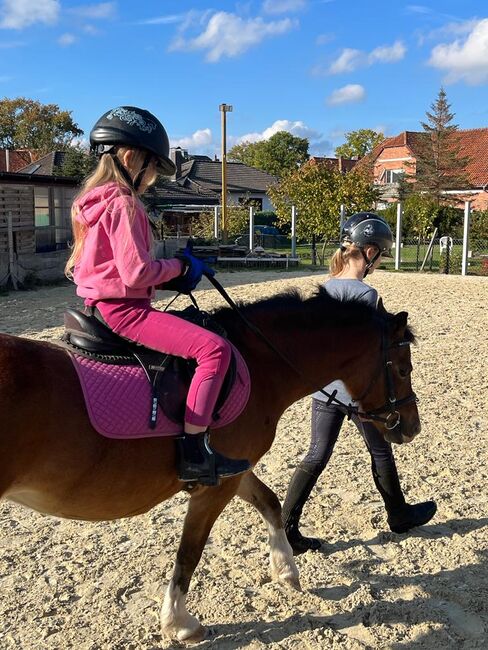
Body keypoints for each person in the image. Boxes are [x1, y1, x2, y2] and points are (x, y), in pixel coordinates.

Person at [65, 105, 250, 487]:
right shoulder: (124, 203)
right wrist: (182, 268)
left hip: (99, 307)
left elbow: (114, 271)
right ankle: (195, 451)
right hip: (126, 313)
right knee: (214, 350)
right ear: (133, 157)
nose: (150, 179)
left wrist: (170, 277)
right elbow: (135, 273)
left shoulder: (90, 203)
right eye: (152, 168)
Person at [282, 212, 437, 554]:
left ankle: (286, 527)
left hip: (325, 391)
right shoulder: (368, 297)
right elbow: (373, 354)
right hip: (360, 393)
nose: (379, 262)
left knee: (316, 455)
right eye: (379, 255)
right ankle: (398, 514)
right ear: (369, 253)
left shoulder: (323, 289)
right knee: (380, 450)